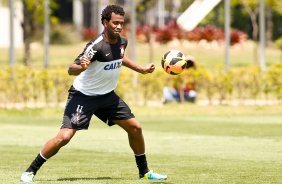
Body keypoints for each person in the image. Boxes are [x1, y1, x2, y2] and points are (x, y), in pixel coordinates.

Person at [20, 5, 167, 182]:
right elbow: (71, 69)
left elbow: (119, 56)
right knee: (64, 137)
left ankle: (144, 173)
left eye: (121, 23)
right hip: (83, 96)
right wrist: (81, 67)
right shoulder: (96, 46)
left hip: (107, 96)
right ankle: (30, 171)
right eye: (115, 23)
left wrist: (140, 69)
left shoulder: (122, 41)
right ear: (105, 22)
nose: (119, 27)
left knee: (135, 128)